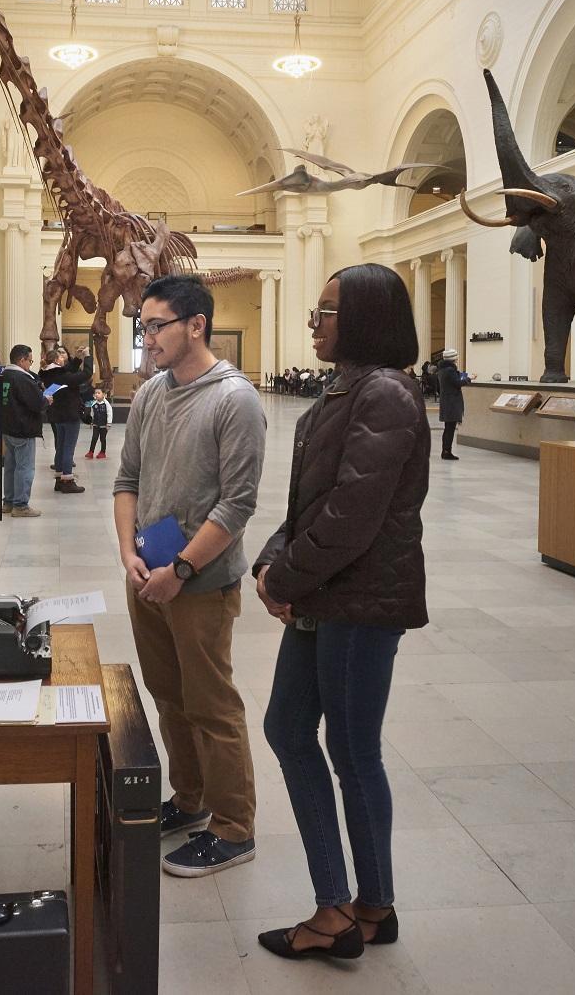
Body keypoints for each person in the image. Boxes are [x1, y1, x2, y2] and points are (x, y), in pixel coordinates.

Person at [252, 263, 430, 961]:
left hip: (360, 601)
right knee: (291, 728)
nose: (315, 323)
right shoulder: (347, 388)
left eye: (326, 312)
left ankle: (348, 911)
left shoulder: (385, 393)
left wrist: (285, 577)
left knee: (351, 752)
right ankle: (361, 902)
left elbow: (353, 516)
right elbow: (309, 502)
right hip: (328, 592)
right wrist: (273, 563)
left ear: (360, 318)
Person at [114, 274, 267, 878]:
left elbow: (237, 505)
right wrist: (129, 550)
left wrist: (180, 569)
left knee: (211, 704)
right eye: (142, 327)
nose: (146, 338)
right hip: (147, 575)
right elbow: (127, 480)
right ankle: (191, 798)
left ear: (195, 325)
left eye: (156, 326)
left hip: (198, 583)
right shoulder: (152, 394)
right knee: (170, 697)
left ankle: (234, 828)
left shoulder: (234, 400)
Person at [0, 344, 46, 517]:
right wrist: (46, 400)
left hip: (7, 429)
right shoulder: (22, 378)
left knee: (10, 467)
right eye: (30, 360)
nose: (30, 364)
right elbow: (37, 403)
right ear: (21, 360)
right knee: (25, 468)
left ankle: (8, 502)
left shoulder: (4, 375)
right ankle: (21, 505)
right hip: (23, 429)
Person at [39, 345, 91, 494]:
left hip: (58, 415)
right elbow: (86, 374)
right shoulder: (62, 376)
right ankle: (67, 480)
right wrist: (87, 356)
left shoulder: (49, 374)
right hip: (69, 415)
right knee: (68, 448)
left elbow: (68, 371)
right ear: (56, 360)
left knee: (61, 447)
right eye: (61, 356)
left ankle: (59, 479)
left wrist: (77, 358)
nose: (63, 357)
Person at [433, 348, 467, 460]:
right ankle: (447, 451)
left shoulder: (442, 370)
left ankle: (446, 450)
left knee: (448, 427)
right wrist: (468, 379)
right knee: (450, 428)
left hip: (446, 401)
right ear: (453, 358)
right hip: (451, 402)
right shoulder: (450, 370)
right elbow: (457, 383)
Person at [85, 387, 113, 459]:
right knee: (94, 438)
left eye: (99, 393)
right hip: (96, 424)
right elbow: (92, 413)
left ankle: (102, 452)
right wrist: (91, 421)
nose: (97, 394)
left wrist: (109, 423)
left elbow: (110, 413)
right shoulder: (94, 404)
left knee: (102, 439)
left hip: (104, 425)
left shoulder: (106, 404)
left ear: (103, 394)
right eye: (95, 393)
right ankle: (91, 452)